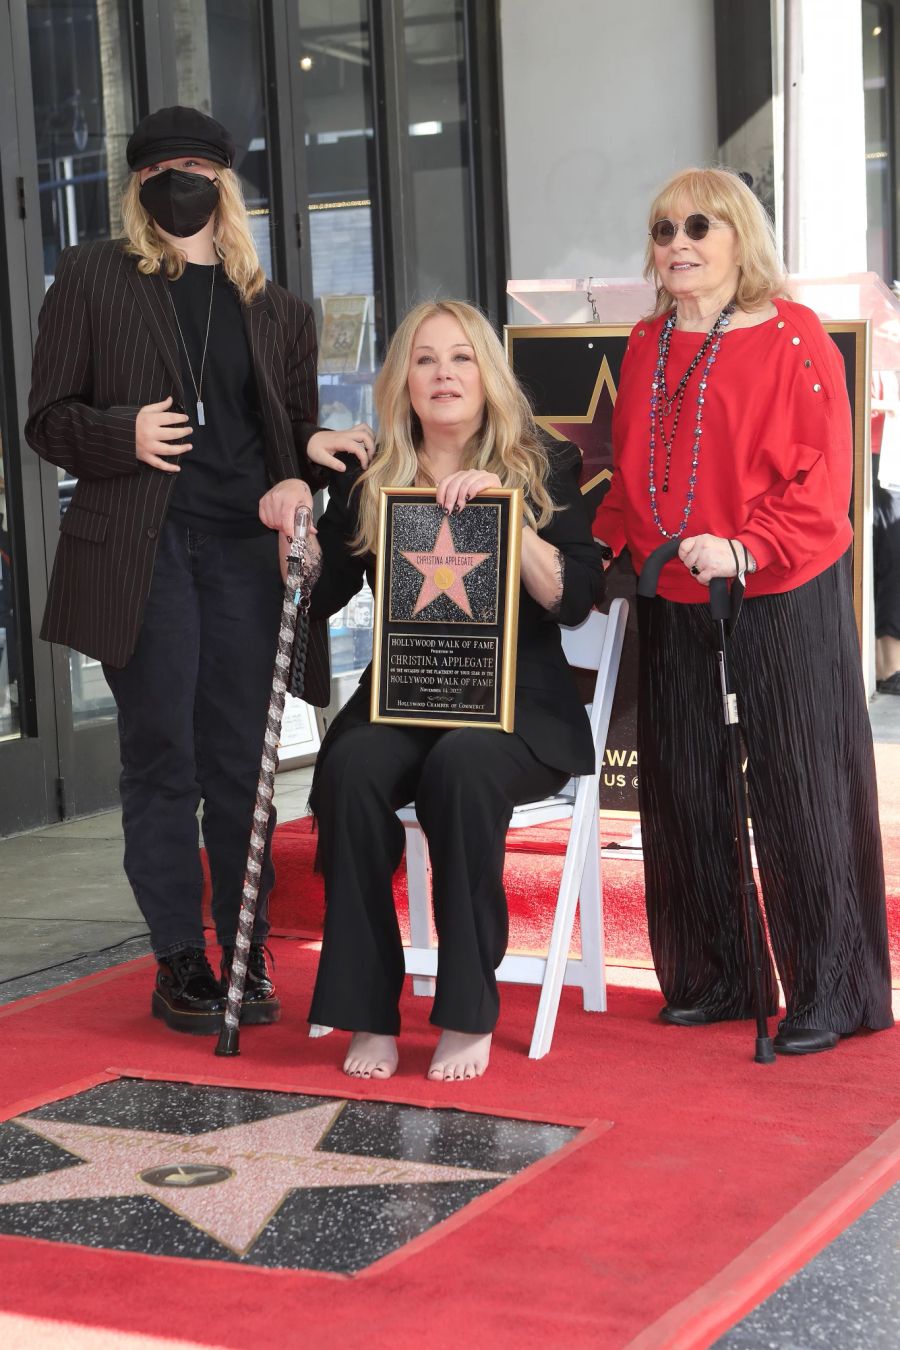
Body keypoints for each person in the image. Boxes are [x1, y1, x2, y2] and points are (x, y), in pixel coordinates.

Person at [25, 106, 373, 1034]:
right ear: (139, 187)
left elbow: (285, 433)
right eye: (162, 169)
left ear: (226, 182)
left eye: (199, 166)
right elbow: (46, 419)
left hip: (242, 556)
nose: (181, 181)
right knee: (163, 760)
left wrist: (312, 450)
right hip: (142, 555)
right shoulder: (96, 279)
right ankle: (180, 956)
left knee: (241, 764)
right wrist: (120, 432)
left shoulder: (279, 308)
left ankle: (246, 946)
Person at [593, 166, 893, 1056]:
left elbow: (820, 481)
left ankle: (832, 992)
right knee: (685, 788)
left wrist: (746, 545)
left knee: (800, 790)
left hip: (777, 590)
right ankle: (717, 976)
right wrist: (616, 543)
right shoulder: (647, 340)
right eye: (662, 230)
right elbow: (636, 469)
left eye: (698, 226)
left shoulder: (793, 337)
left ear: (739, 238)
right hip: (675, 591)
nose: (677, 243)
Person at [301, 300, 605, 1082]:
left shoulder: (543, 462)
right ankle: (366, 1008)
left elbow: (573, 598)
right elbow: (322, 590)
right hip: (406, 695)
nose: (443, 374)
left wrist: (509, 519)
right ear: (403, 380)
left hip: (517, 708)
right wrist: (296, 525)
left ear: (488, 375)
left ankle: (468, 1009)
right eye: (426, 359)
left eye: (461, 358)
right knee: (352, 767)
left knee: (464, 766)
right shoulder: (374, 473)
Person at [871, 370, 900, 692]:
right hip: (874, 457)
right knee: (889, 556)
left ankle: (888, 666)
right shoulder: (869, 322)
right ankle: (888, 666)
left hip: (891, 458)